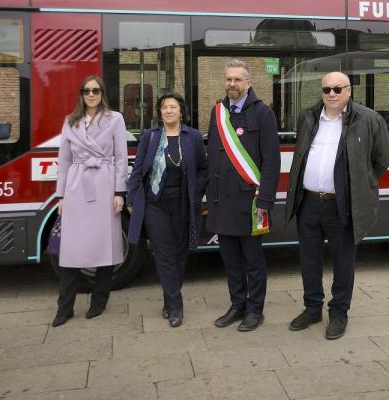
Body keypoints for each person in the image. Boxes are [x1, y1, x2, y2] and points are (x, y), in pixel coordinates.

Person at [285, 71, 389, 340]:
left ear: (349, 90)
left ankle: (339, 313)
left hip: (341, 205)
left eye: (337, 89)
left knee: (343, 262)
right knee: (309, 260)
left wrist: (357, 187)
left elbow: (381, 161)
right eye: (326, 89)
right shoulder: (308, 117)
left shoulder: (368, 119)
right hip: (308, 201)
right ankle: (312, 309)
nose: (331, 94)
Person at [206, 59, 280, 332]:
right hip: (221, 202)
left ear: (249, 83)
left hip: (251, 202)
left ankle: (255, 310)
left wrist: (265, 201)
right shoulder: (216, 113)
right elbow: (212, 156)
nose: (232, 84)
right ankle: (237, 305)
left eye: (237, 79)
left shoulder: (262, 113)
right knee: (230, 260)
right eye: (228, 79)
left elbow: (271, 161)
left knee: (253, 260)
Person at [52, 75, 128, 327]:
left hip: (104, 185)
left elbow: (120, 157)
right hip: (76, 187)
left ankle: (99, 300)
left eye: (96, 90)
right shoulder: (70, 121)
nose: (91, 94)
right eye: (86, 91)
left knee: (103, 245)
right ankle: (65, 307)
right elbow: (63, 161)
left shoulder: (115, 119)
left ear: (102, 93)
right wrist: (61, 196)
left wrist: (119, 192)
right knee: (71, 250)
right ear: (81, 94)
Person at [126, 92, 207, 327]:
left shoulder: (192, 137)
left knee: (180, 255)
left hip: (183, 204)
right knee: (164, 255)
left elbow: (203, 168)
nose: (168, 111)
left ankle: (168, 299)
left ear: (181, 111)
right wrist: (132, 198)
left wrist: (197, 191)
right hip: (155, 204)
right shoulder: (150, 137)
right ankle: (176, 307)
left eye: (173, 107)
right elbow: (138, 169)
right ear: (160, 113)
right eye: (164, 107)